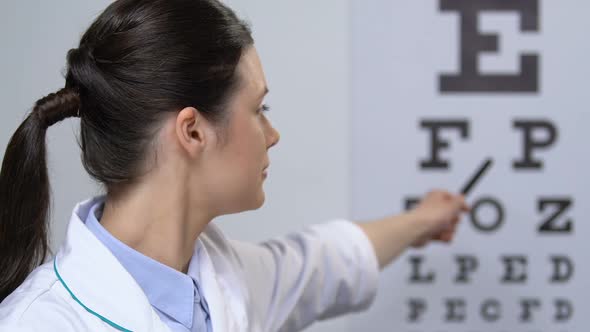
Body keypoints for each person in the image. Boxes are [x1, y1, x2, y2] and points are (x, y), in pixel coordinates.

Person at [0, 0, 469, 331]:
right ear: (193, 131)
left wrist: (423, 220)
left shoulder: (225, 278)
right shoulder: (39, 322)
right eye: (259, 108)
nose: (273, 134)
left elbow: (326, 261)